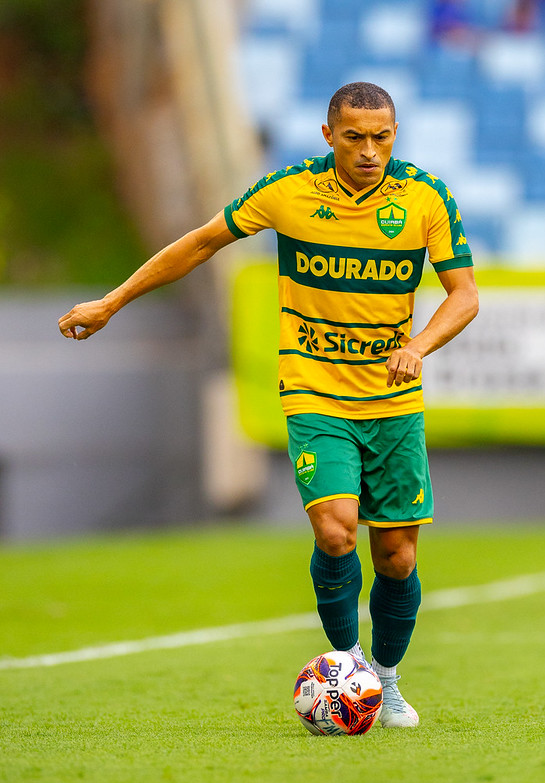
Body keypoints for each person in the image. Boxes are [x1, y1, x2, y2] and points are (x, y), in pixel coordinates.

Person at [58, 82, 479, 728]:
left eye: (382, 137)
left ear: (395, 134)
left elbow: (464, 296)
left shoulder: (425, 197)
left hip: (393, 400)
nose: (370, 150)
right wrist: (111, 303)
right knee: (336, 529)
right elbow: (199, 243)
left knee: (397, 556)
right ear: (328, 135)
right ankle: (350, 669)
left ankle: (386, 681)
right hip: (314, 389)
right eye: (355, 137)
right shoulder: (288, 191)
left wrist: (419, 345)